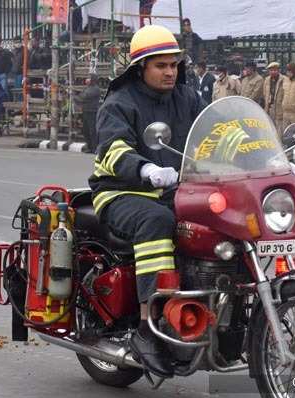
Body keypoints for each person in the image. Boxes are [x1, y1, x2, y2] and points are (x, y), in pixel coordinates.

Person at [88, 25, 204, 378]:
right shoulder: (119, 102)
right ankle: (146, 325)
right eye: (160, 66)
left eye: (173, 65)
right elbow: (113, 149)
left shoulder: (188, 98)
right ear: (141, 67)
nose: (170, 71)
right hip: (123, 192)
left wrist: (263, 156)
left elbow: (219, 133)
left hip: (176, 190)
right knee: (157, 221)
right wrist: (146, 169)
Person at [75, 74, 100, 153]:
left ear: (93, 80)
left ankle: (94, 148)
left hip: (92, 112)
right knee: (85, 130)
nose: (87, 79)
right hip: (86, 111)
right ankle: (89, 147)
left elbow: (83, 97)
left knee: (92, 131)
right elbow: (80, 97)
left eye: (89, 78)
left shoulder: (95, 89)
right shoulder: (88, 88)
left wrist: (73, 96)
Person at [263, 62, 285, 135]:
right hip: (269, 108)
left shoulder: (284, 80)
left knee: (279, 130)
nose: (273, 72)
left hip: (279, 108)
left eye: (275, 70)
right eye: (271, 70)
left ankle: (279, 145)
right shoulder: (267, 80)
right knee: (270, 129)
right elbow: (265, 93)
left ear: (278, 70)